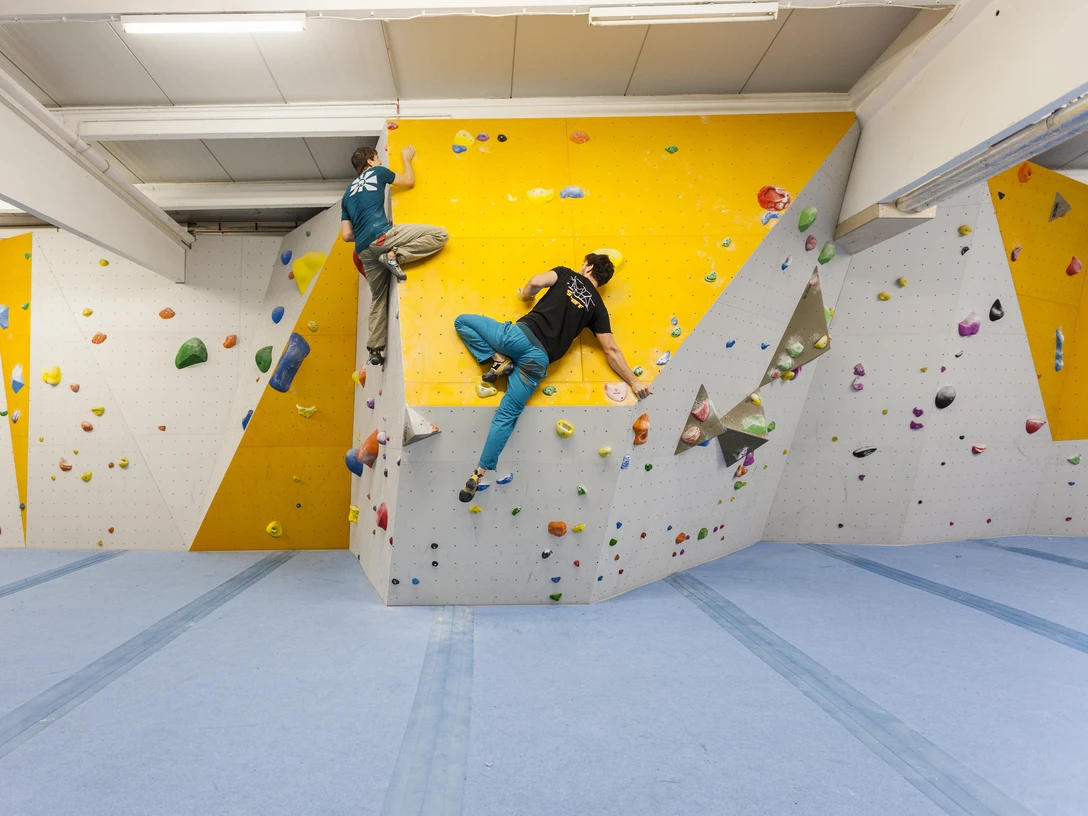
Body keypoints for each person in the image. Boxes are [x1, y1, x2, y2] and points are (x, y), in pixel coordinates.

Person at [454, 253, 651, 502]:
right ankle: (479, 471)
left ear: (589, 266)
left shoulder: (566, 273)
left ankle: (498, 359)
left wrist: (526, 296)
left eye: (585, 263)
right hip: (537, 361)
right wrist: (634, 381)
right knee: (506, 415)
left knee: (462, 322)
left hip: (518, 337)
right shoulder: (598, 308)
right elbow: (611, 349)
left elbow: (536, 282)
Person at [341, 145, 449, 366]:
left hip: (364, 250)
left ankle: (375, 350)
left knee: (378, 297)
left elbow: (347, 235)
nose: (380, 162)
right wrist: (406, 158)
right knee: (440, 235)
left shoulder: (346, 195)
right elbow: (409, 181)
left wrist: (365, 237)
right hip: (383, 236)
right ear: (370, 162)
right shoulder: (378, 172)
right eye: (377, 158)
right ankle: (396, 256)